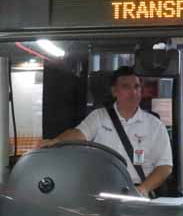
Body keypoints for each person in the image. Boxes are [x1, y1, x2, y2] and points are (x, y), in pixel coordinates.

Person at [46, 66, 173, 197]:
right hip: (101, 191)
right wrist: (56, 141)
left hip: (137, 193)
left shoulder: (155, 125)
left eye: (136, 87)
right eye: (126, 87)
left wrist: (141, 190)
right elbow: (78, 134)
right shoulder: (99, 117)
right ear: (114, 91)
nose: (133, 92)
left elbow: (165, 167)